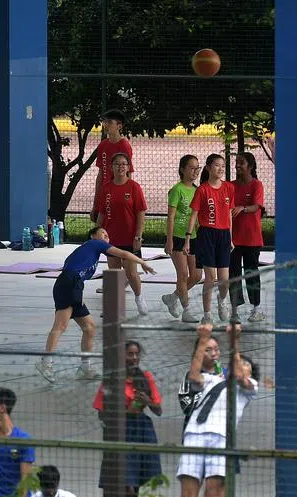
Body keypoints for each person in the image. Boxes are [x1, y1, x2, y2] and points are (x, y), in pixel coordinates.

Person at [168, 323, 259, 497]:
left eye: (245, 366)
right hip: (194, 437)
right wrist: (203, 338)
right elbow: (194, 373)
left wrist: (236, 342)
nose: (242, 368)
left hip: (220, 439)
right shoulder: (208, 379)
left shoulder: (247, 387)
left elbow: (241, 376)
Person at [36, 227, 155, 383]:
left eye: (108, 233)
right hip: (69, 284)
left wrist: (78, 293)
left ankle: (85, 368)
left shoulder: (90, 252)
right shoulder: (94, 244)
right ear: (93, 236)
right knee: (60, 326)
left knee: (90, 328)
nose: (106, 235)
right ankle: (46, 363)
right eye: (102, 232)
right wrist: (142, 262)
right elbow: (124, 254)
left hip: (74, 285)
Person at [93, 340, 164, 497]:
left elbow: (158, 410)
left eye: (136, 354)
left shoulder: (145, 377)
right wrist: (125, 413)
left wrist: (147, 401)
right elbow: (101, 411)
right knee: (127, 487)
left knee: (137, 486)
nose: (134, 358)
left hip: (142, 432)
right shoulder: (112, 379)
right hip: (121, 432)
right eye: (130, 354)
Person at [179, 331, 229, 497]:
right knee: (192, 488)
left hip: (219, 436)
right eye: (208, 349)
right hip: (196, 436)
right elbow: (186, 405)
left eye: (216, 349)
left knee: (217, 484)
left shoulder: (224, 375)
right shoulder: (192, 377)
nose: (214, 353)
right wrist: (209, 389)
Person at [91, 153, 149, 315]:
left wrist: (138, 235)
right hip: (111, 237)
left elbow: (140, 212)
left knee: (131, 272)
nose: (121, 167)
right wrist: (96, 232)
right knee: (114, 272)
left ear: (129, 167)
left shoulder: (134, 187)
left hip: (129, 238)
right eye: (117, 164)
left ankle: (139, 298)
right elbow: (102, 212)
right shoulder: (107, 187)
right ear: (111, 167)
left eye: (124, 164)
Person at [184, 154, 234, 325]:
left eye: (223, 166)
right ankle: (207, 314)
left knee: (224, 279)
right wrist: (188, 238)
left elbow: (228, 214)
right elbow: (193, 215)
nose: (220, 169)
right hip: (207, 235)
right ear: (208, 168)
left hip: (224, 235)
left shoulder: (228, 188)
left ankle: (222, 301)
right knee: (210, 277)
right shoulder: (202, 190)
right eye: (217, 165)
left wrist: (231, 237)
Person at [162, 154, 203, 322]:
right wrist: (169, 240)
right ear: (182, 170)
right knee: (182, 273)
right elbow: (171, 216)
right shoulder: (177, 190)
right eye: (191, 168)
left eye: (197, 168)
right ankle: (186, 310)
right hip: (178, 236)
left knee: (196, 275)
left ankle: (172, 298)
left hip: (192, 237)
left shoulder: (197, 190)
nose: (195, 171)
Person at [230, 152, 265, 322]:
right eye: (236, 162)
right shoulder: (230, 186)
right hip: (233, 239)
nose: (237, 165)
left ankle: (256, 308)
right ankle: (234, 311)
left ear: (250, 166)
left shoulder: (256, 185)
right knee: (233, 273)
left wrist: (242, 208)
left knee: (251, 272)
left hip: (252, 238)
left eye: (241, 163)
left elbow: (256, 206)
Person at [92, 109, 133, 211]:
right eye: (105, 122)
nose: (106, 125)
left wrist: (126, 197)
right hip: (104, 193)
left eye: (110, 122)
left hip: (117, 194)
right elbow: (101, 174)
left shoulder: (124, 145)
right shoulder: (103, 145)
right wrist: (96, 203)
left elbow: (128, 174)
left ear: (119, 126)